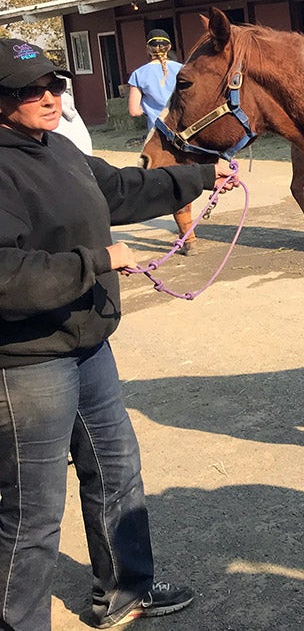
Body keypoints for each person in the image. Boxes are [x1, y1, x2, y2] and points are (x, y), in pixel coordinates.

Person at [0, 36, 239, 629]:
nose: (51, 97)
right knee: (32, 513)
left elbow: (120, 191)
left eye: (55, 84)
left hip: (87, 343)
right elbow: (5, 277)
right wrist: (98, 261)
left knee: (116, 470)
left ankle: (127, 589)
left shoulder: (56, 148)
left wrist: (198, 176)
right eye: (31, 90)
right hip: (27, 363)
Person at [127, 31, 195, 253]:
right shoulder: (183, 69)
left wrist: (149, 108)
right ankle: (188, 234)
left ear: (148, 50)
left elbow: (134, 111)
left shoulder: (139, 74)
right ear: (169, 47)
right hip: (187, 135)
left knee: (171, 185)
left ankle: (189, 237)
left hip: (159, 137)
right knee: (188, 181)